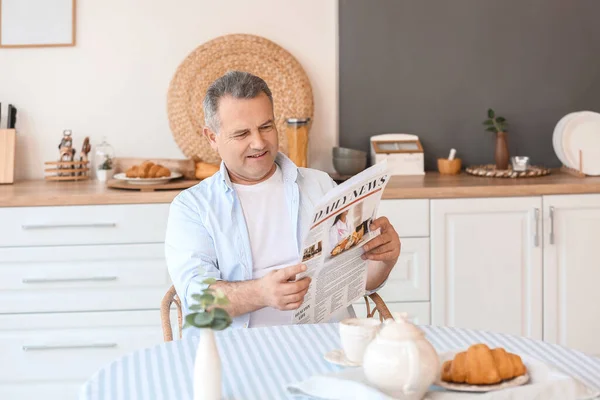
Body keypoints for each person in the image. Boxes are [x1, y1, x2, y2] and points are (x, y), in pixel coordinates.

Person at [165, 71, 401, 332]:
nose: (258, 142)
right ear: (212, 138)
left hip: (326, 344)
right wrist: (261, 293)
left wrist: (383, 259)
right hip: (238, 357)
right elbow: (197, 299)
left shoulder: (320, 185)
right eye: (242, 134)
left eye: (266, 127)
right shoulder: (192, 207)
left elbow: (358, 280)